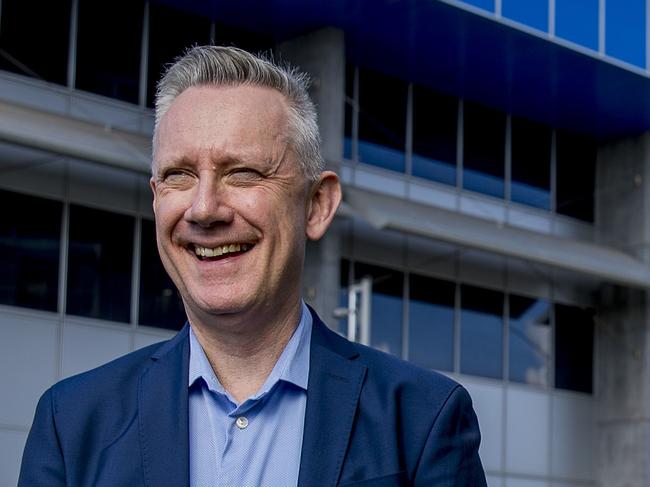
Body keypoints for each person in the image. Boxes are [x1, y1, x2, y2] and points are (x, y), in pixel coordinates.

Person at [18, 46, 487, 487]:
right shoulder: (71, 423)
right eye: (179, 176)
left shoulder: (422, 421)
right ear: (156, 198)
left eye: (242, 173)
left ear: (316, 205)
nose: (204, 209)